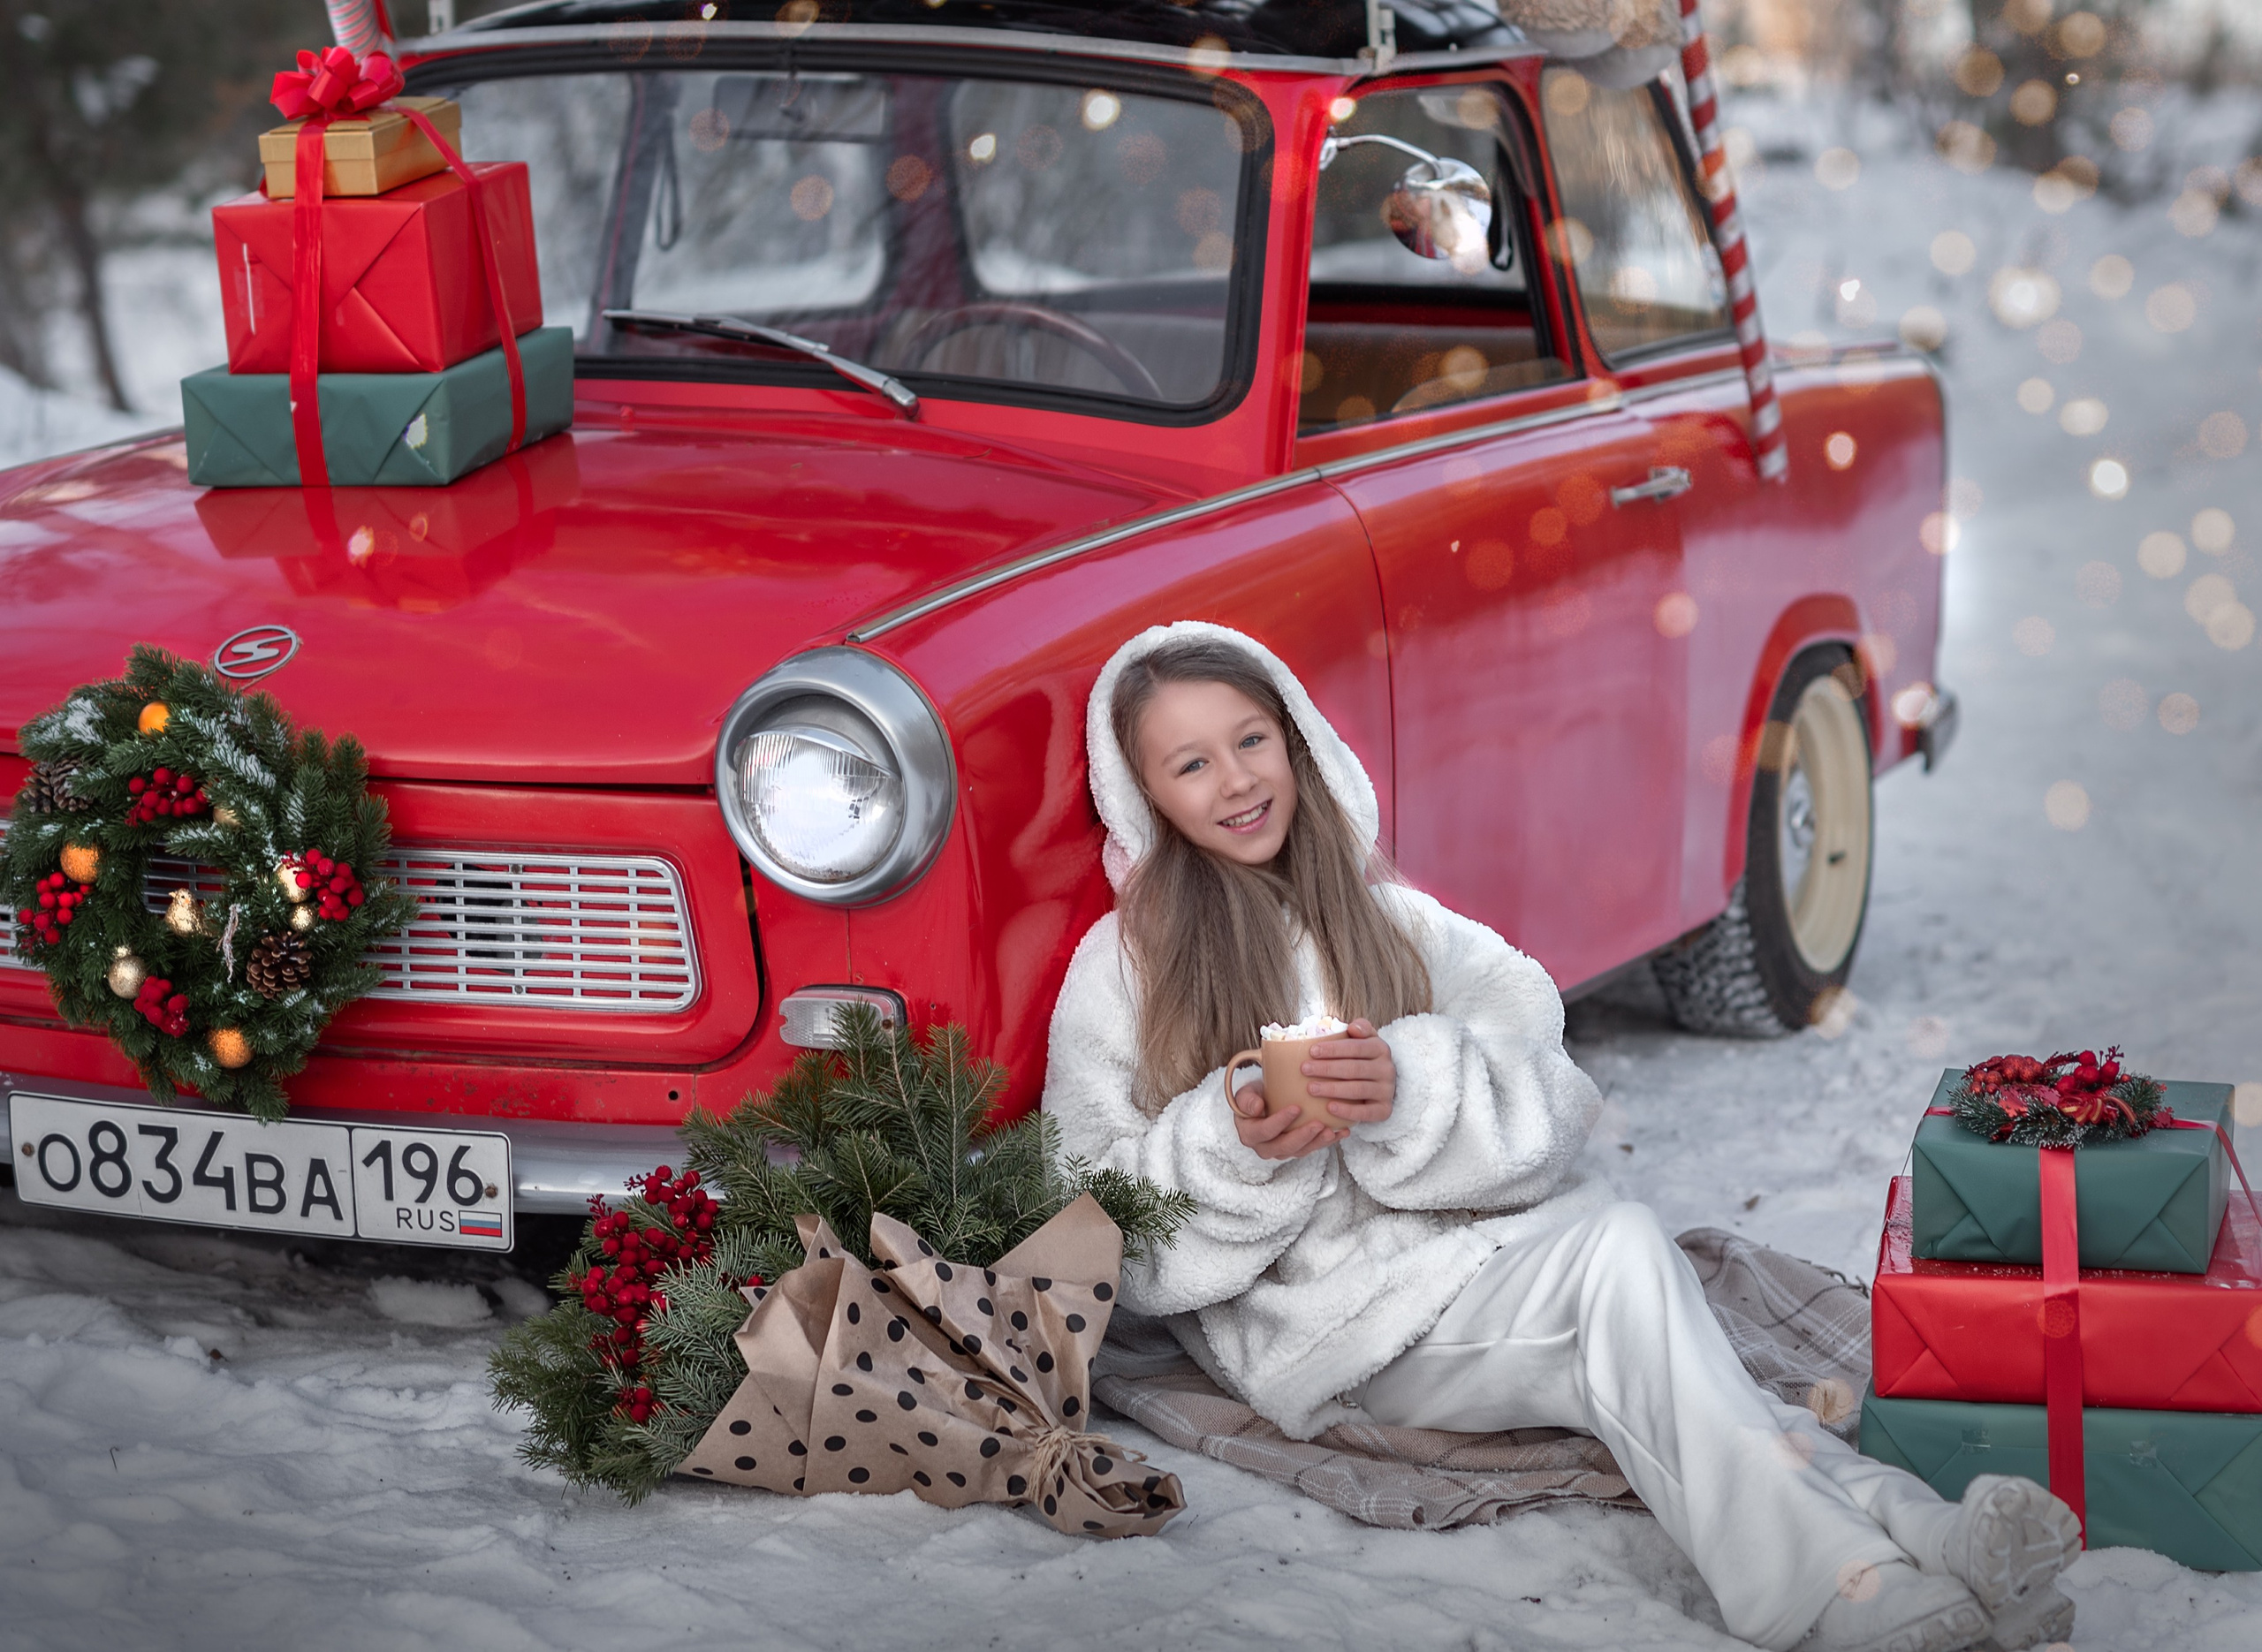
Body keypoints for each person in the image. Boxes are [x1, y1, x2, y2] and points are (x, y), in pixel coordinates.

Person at [1043, 622, 2081, 1652]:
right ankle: (1826, 1590)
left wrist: (1412, 1088)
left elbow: (1545, 1078)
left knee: (1664, 1349)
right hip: (1342, 1331)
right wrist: (1233, 1148)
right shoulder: (1125, 971)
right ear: (1147, 797)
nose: (1235, 779)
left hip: (1490, 1264)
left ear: (1296, 739)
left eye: (1250, 739)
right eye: (1191, 763)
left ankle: (1919, 1534)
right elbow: (1091, 1217)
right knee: (1621, 1261)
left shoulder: (1389, 919)